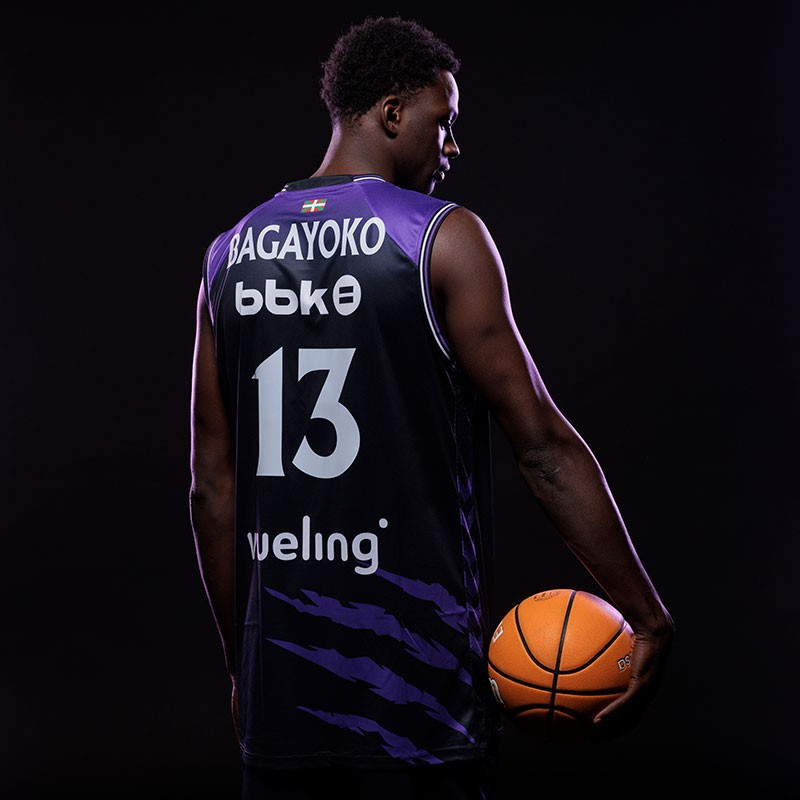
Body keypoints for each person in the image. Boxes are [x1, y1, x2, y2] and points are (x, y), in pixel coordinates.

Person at [189, 15, 674, 800]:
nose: (451, 146)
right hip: (419, 696)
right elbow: (543, 450)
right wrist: (646, 616)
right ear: (392, 113)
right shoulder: (439, 239)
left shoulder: (228, 255)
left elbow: (212, 487)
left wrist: (243, 667)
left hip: (285, 696)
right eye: (443, 122)